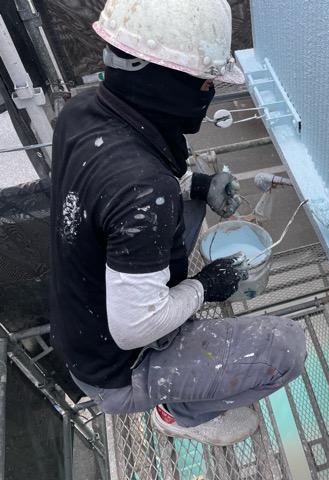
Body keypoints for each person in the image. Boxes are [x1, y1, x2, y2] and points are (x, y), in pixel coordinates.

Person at [49, 0, 306, 446]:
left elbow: (123, 190)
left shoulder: (85, 109)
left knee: (182, 206)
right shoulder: (143, 192)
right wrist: (206, 285)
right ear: (162, 79)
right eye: (205, 81)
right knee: (288, 348)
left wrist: (199, 184)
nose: (208, 92)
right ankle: (179, 414)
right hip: (117, 367)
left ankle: (171, 309)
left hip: (80, 323)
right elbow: (134, 328)